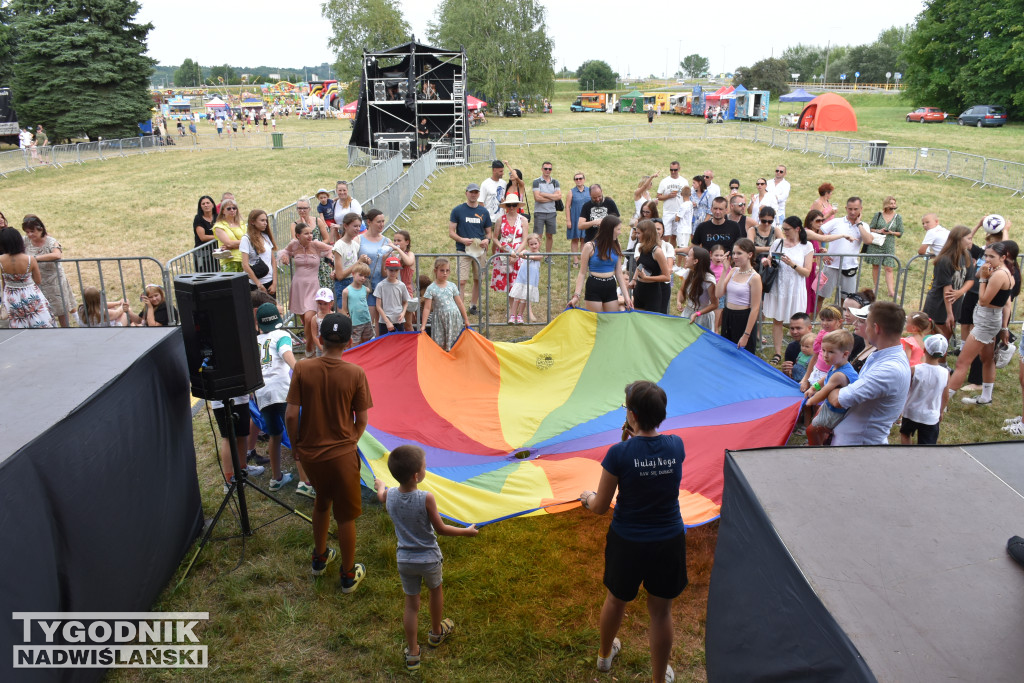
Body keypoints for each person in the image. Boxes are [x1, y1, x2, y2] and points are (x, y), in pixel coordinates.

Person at [578, 380, 686, 683]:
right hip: (668, 540)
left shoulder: (618, 453)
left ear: (631, 415)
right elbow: (652, 463)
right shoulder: (677, 444)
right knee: (661, 613)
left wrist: (586, 498)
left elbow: (600, 506)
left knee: (615, 599)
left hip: (628, 541)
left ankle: (604, 656)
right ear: (661, 414)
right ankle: (657, 678)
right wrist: (632, 442)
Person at [286, 313, 373, 589]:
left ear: (320, 339)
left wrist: (296, 445)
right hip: (342, 456)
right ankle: (348, 575)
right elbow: (362, 419)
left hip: (311, 454)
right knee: (345, 516)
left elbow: (290, 415)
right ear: (348, 343)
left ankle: (320, 558)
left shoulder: (302, 368)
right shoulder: (355, 373)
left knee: (321, 501)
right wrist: (351, 441)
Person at [374, 445, 478, 672]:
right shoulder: (426, 498)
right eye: (424, 466)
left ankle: (412, 653)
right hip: (429, 559)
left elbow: (381, 495)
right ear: (416, 475)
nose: (425, 468)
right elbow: (440, 529)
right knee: (435, 592)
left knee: (411, 606)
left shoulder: (390, 496)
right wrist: (466, 532)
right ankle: (436, 633)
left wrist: (381, 485)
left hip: (405, 560)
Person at [825, 301, 911, 446]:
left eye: (867, 323)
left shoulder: (889, 369)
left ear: (876, 328)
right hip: (853, 439)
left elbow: (838, 400)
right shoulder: (880, 354)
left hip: (858, 446)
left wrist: (830, 385)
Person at [945, 241, 1015, 408]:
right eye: (986, 256)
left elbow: (983, 300)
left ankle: (943, 402)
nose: (987, 260)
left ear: (1003, 257)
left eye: (992, 257)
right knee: (987, 359)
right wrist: (983, 272)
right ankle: (986, 397)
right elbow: (1005, 302)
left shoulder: (999, 275)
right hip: (990, 320)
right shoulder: (999, 271)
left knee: (962, 362)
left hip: (986, 321)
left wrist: (984, 278)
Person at [254, 303, 298, 490]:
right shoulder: (282, 335)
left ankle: (276, 477)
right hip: (282, 391)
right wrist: (300, 371)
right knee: (297, 434)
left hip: (262, 393)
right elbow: (285, 354)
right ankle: (305, 480)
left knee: (274, 434)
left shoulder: (254, 341)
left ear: (259, 325)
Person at [761, 216, 815, 365]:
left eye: (787, 229)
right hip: (779, 287)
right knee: (777, 320)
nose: (784, 232)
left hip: (795, 289)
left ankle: (800, 352)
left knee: (798, 323)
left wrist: (792, 264)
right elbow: (770, 260)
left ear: (797, 229)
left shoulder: (806, 246)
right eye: (783, 229)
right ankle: (778, 353)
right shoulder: (778, 243)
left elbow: (807, 272)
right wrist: (766, 262)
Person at [281, 222, 334, 355]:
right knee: (305, 321)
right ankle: (312, 348)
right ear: (298, 235)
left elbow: (330, 249)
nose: (310, 236)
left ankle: (309, 346)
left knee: (310, 317)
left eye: (311, 233)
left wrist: (328, 257)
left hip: (312, 286)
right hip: (298, 285)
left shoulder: (316, 244)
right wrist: (285, 256)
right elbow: (285, 251)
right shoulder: (294, 245)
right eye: (306, 233)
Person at [815, 197, 872, 308]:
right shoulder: (836, 222)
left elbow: (868, 241)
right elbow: (819, 234)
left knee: (847, 300)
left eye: (855, 209)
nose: (852, 212)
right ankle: (811, 323)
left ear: (861, 209)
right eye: (850, 209)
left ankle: (843, 323)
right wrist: (822, 251)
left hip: (850, 267)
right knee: (819, 295)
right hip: (830, 266)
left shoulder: (864, 226)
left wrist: (859, 224)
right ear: (846, 208)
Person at [804, 329, 858, 446]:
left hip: (837, 412)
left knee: (811, 430)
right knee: (818, 416)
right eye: (823, 350)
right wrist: (813, 388)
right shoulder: (836, 365)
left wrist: (811, 401)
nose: (825, 355)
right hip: (830, 406)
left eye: (830, 352)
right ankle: (823, 440)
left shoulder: (840, 375)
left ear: (845, 354)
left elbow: (824, 392)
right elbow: (825, 379)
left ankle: (816, 449)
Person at [21, 215, 75, 327]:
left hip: (54, 281)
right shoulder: (25, 241)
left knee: (61, 309)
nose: (30, 234)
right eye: (27, 232)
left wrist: (34, 259)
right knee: (41, 310)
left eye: (32, 231)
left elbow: (57, 254)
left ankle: (66, 330)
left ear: (40, 229)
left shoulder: (51, 241)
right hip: (37, 281)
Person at [570, 216, 633, 313]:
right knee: (595, 321)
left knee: (611, 320)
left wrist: (627, 297)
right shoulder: (590, 246)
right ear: (609, 230)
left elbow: (619, 273)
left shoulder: (617, 245)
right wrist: (576, 296)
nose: (620, 232)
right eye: (618, 229)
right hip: (594, 285)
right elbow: (582, 273)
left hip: (610, 285)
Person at [922, 225, 973, 340]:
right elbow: (947, 289)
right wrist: (949, 313)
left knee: (946, 336)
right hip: (939, 303)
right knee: (934, 337)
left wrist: (960, 292)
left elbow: (970, 279)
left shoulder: (967, 255)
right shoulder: (945, 260)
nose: (971, 241)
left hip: (955, 301)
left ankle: (942, 358)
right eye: (969, 238)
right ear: (959, 239)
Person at [449, 184, 492, 316]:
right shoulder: (458, 210)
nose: (473, 194)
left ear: (479, 194)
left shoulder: (484, 212)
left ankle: (473, 306)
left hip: (479, 251)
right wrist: (462, 240)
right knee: (462, 280)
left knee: (478, 279)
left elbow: (489, 233)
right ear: (466, 193)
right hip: (463, 250)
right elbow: (451, 232)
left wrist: (487, 240)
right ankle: (460, 309)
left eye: (476, 192)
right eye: (471, 192)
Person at [0, 226, 54, 328]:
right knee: (39, 320)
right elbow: (38, 280)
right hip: (30, 293)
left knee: (18, 324)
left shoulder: (1, 260)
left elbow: (4, 281)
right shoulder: (30, 259)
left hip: (11, 295)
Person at [900, 334, 949, 445]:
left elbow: (905, 390)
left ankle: (907, 455)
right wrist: (940, 411)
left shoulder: (915, 370)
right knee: (927, 444)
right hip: (931, 416)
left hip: (911, 412)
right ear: (944, 353)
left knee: (905, 434)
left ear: (925, 349)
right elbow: (945, 396)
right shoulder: (945, 373)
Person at [716, 238, 762, 352]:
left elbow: (755, 308)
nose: (735, 256)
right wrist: (724, 270)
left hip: (743, 318)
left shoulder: (755, 277)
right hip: (728, 315)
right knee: (726, 353)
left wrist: (746, 335)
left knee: (742, 356)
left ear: (750, 255)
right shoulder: (733, 271)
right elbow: (718, 293)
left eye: (739, 253)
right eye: (734, 253)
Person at [421, 258, 470, 351]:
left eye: (447, 271)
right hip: (440, 321)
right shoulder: (431, 288)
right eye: (442, 270)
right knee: (441, 345)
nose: (445, 273)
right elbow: (427, 308)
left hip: (454, 319)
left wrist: (466, 319)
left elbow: (459, 303)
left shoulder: (452, 286)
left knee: (456, 343)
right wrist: (423, 325)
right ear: (435, 271)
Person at [359, 209, 393, 328]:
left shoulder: (387, 241)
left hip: (382, 286)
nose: (382, 224)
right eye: (378, 221)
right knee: (368, 323)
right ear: (369, 222)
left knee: (381, 324)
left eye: (383, 221)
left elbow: (391, 265)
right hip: (366, 287)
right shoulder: (359, 239)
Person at [864, 196, 903, 298]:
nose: (893, 205)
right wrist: (879, 231)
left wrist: (892, 232)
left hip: (889, 244)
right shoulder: (878, 215)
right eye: (891, 203)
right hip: (877, 243)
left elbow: (900, 233)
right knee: (876, 266)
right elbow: (870, 228)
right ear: (886, 204)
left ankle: (891, 291)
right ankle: (875, 287)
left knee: (889, 268)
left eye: (894, 203)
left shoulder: (897, 217)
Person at [630, 220, 671, 313]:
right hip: (639, 289)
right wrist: (634, 279)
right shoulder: (642, 247)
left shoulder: (657, 251)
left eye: (638, 233)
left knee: (650, 323)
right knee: (638, 320)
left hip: (652, 292)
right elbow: (640, 265)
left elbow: (667, 277)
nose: (637, 236)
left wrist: (647, 278)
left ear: (647, 233)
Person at [489, 193, 527, 294]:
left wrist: (517, 254)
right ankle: (512, 309)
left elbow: (525, 240)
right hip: (504, 252)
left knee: (519, 282)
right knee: (508, 283)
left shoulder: (523, 220)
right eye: (508, 205)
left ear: (517, 206)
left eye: (514, 205)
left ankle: (521, 307)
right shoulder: (500, 219)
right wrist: (501, 247)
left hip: (517, 252)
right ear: (505, 206)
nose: (511, 207)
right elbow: (495, 238)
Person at [676, 246, 718, 329]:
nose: (686, 258)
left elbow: (715, 304)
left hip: (703, 316)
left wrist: (698, 313)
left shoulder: (708, 280)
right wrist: (678, 301)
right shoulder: (688, 272)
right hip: (688, 312)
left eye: (688, 256)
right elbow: (681, 290)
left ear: (695, 261)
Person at [239, 209, 277, 295]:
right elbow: (245, 265)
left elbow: (273, 261)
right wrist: (258, 284)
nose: (265, 223)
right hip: (256, 283)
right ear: (252, 222)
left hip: (269, 281)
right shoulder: (246, 239)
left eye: (266, 220)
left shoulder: (265, 236)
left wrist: (274, 283)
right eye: (262, 220)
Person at [509, 233, 542, 324]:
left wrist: (526, 256)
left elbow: (536, 257)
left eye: (535, 243)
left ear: (539, 243)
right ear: (528, 245)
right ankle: (513, 315)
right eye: (531, 244)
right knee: (517, 297)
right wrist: (522, 254)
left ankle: (520, 315)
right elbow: (520, 254)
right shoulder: (526, 252)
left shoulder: (540, 254)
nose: (534, 246)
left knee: (524, 298)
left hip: (531, 280)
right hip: (522, 278)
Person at [375, 255, 410, 337]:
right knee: (385, 345)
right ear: (385, 269)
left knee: (399, 344)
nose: (393, 273)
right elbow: (378, 306)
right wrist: (387, 321)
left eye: (396, 270)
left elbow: (405, 302)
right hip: (384, 321)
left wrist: (403, 313)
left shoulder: (402, 285)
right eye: (391, 270)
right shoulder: (381, 285)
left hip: (399, 320)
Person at [332, 212, 363, 304]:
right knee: (344, 316)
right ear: (345, 226)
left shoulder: (355, 245)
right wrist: (358, 263)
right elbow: (340, 276)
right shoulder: (339, 246)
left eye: (359, 226)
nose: (358, 229)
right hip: (343, 285)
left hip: (355, 282)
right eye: (355, 226)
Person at [341, 263, 375, 346]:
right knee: (354, 344)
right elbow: (344, 309)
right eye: (360, 275)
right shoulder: (346, 291)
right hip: (354, 323)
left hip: (366, 320)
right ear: (353, 274)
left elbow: (364, 303)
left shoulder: (366, 290)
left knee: (366, 343)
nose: (363, 278)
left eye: (365, 276)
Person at [531, 161, 562, 253]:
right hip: (539, 212)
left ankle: (548, 255)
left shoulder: (555, 182)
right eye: (545, 168)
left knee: (550, 235)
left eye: (549, 169)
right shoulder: (536, 182)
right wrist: (552, 197)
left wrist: (544, 194)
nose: (547, 171)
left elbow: (559, 196)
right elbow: (537, 198)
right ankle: (537, 254)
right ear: (542, 169)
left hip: (551, 212)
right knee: (537, 236)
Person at [390, 230, 417, 331]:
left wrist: (398, 249)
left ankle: (413, 344)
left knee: (408, 323)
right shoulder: (395, 255)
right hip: (394, 291)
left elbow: (409, 262)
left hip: (406, 291)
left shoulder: (410, 254)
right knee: (396, 322)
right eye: (395, 240)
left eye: (399, 240)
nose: (396, 243)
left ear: (407, 242)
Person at [658, 162, 688, 249]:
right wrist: (668, 196)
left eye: (675, 170)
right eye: (671, 170)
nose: (673, 172)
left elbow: (687, 195)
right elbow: (658, 196)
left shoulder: (684, 181)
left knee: (674, 235)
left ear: (679, 169)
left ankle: (671, 254)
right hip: (668, 211)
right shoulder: (664, 181)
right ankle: (663, 252)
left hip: (678, 211)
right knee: (665, 235)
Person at [213, 199, 246, 273]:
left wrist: (232, 246)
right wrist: (232, 245)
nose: (232, 210)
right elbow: (228, 243)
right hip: (229, 260)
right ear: (223, 211)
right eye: (229, 208)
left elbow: (250, 241)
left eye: (234, 208)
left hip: (244, 259)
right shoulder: (219, 226)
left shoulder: (242, 224)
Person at [567, 172, 590, 266]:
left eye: (580, 178)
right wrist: (568, 220)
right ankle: (575, 260)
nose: (578, 180)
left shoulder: (589, 190)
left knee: (585, 239)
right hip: (575, 218)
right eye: (576, 179)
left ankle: (584, 259)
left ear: (584, 179)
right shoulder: (571, 192)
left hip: (586, 219)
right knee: (575, 239)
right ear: (574, 181)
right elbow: (567, 206)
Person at [782, 313, 813, 379]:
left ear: (809, 328)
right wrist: (786, 370)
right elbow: (791, 376)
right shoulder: (791, 347)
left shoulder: (821, 346)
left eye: (798, 328)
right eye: (792, 328)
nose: (794, 332)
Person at [193, 195, 219, 272]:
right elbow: (202, 237)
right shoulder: (198, 218)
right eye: (203, 204)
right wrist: (218, 237)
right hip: (203, 253)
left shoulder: (218, 217)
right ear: (200, 207)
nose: (206, 205)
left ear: (213, 205)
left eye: (208, 203)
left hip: (216, 251)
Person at [312, 288, 334, 356]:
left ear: (331, 303)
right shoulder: (315, 318)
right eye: (320, 303)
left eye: (325, 303)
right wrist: (321, 348)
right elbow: (314, 335)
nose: (322, 306)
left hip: (333, 345)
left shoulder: (335, 316)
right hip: (321, 346)